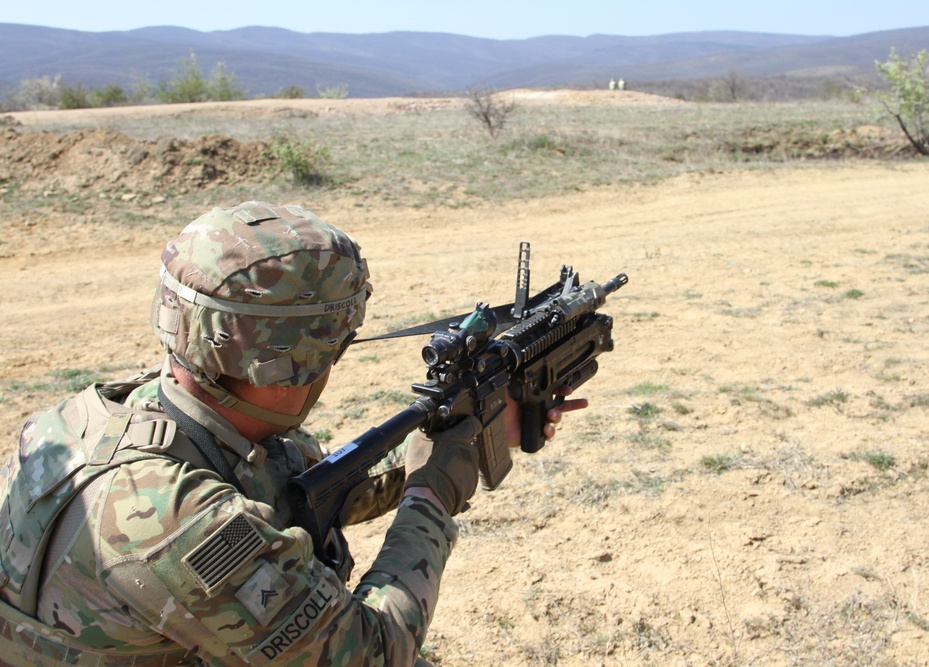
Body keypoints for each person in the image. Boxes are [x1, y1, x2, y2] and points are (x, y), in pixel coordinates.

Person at [0, 202, 586, 666]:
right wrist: (431, 499)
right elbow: (373, 652)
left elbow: (295, 489)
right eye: (336, 344)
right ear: (292, 360)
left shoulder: (121, 416)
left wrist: (456, 439)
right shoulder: (175, 524)